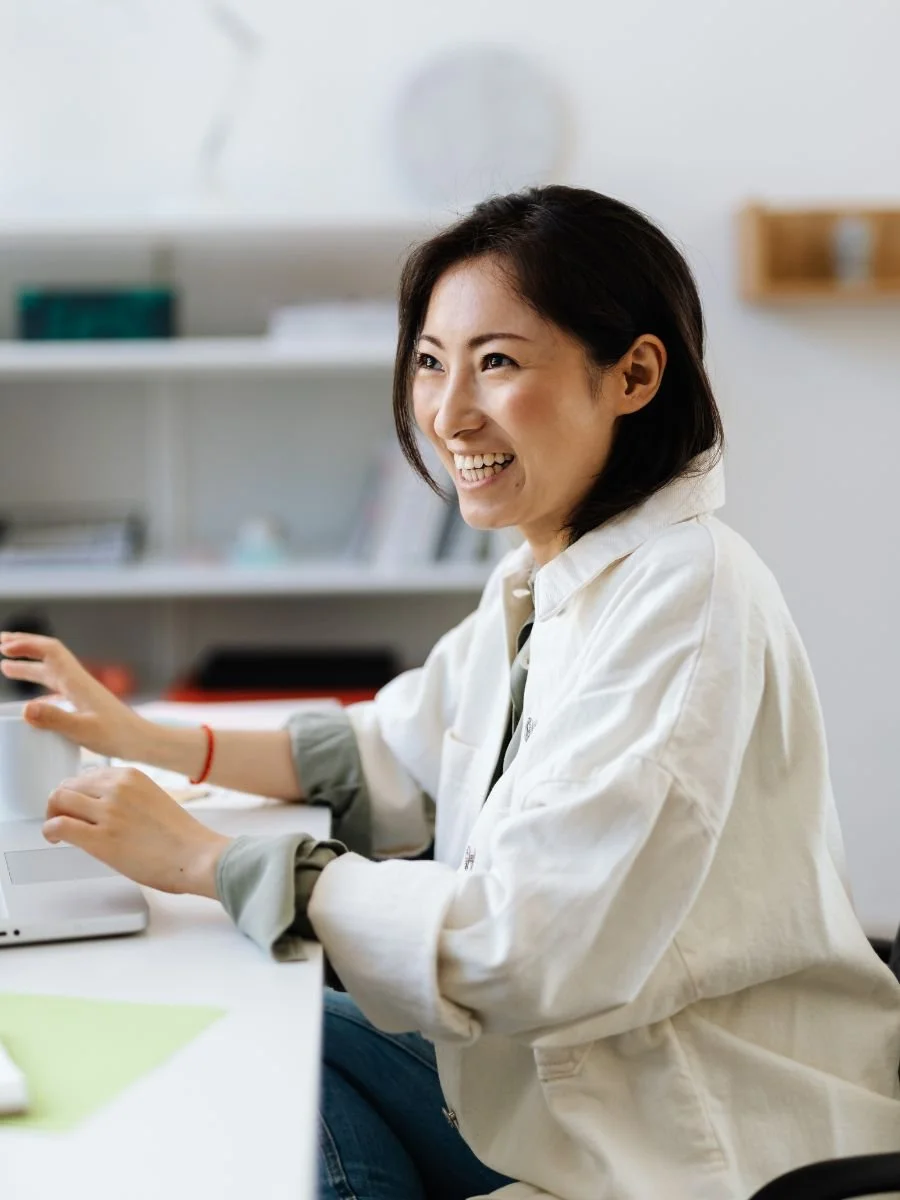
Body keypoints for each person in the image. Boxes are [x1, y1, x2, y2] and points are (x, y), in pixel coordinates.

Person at [2, 185, 899, 1200]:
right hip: (562, 1079)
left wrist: (209, 862)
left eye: (498, 362)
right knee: (274, 1040)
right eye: (432, 361)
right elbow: (394, 750)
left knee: (264, 1074)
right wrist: (146, 736)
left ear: (636, 375)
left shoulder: (685, 596)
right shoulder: (551, 572)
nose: (447, 412)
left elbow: (529, 947)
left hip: (679, 1127)